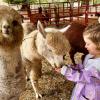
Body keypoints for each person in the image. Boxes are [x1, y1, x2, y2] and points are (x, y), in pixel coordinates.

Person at [55, 23, 100, 100]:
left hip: (91, 94)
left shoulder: (98, 64)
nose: (85, 46)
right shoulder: (89, 56)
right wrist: (73, 67)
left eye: (88, 44)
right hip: (82, 89)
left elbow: (85, 76)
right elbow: (84, 67)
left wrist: (66, 71)